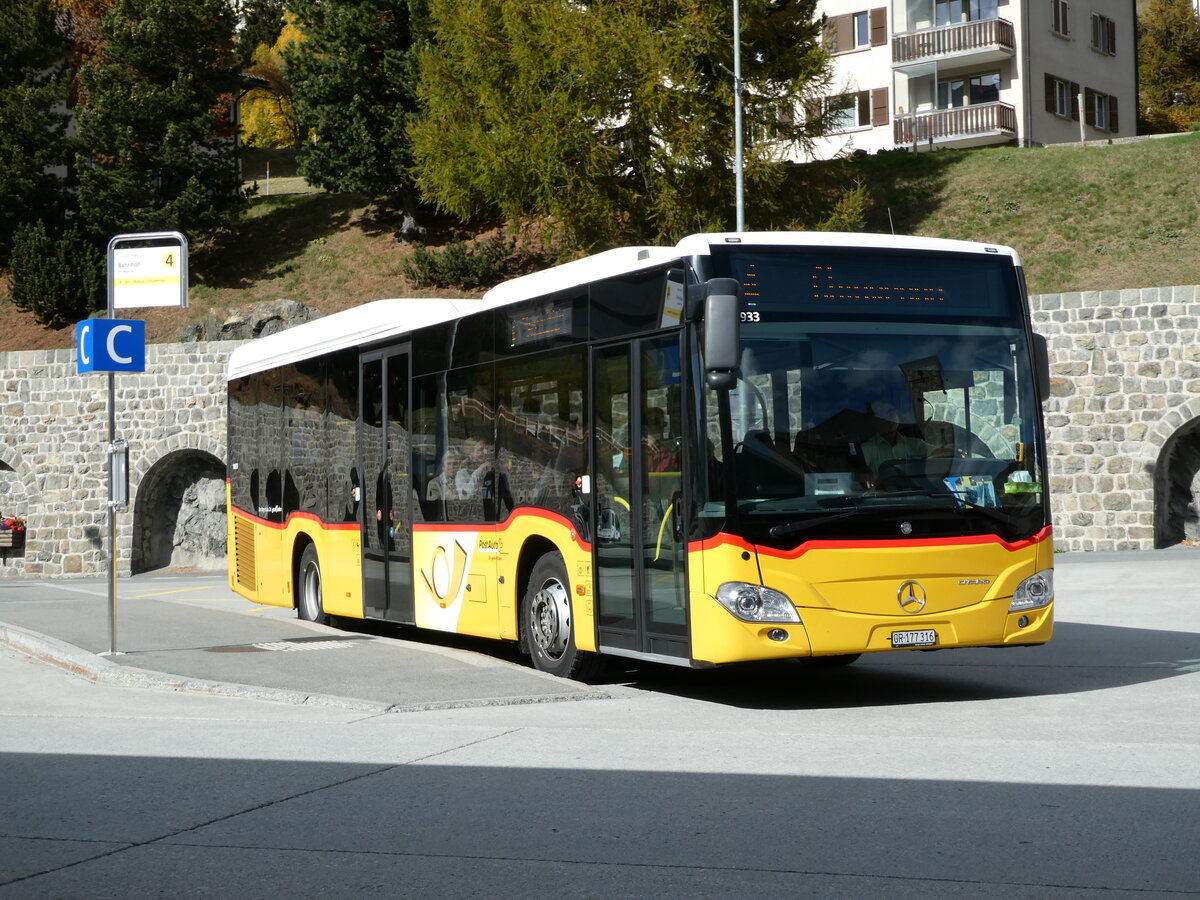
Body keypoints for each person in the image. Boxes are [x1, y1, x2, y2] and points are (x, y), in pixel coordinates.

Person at [861, 400, 929, 481]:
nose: (887, 418)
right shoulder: (867, 448)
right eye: (881, 414)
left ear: (897, 414)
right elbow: (857, 471)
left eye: (891, 411)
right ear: (873, 420)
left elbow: (941, 454)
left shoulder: (916, 444)